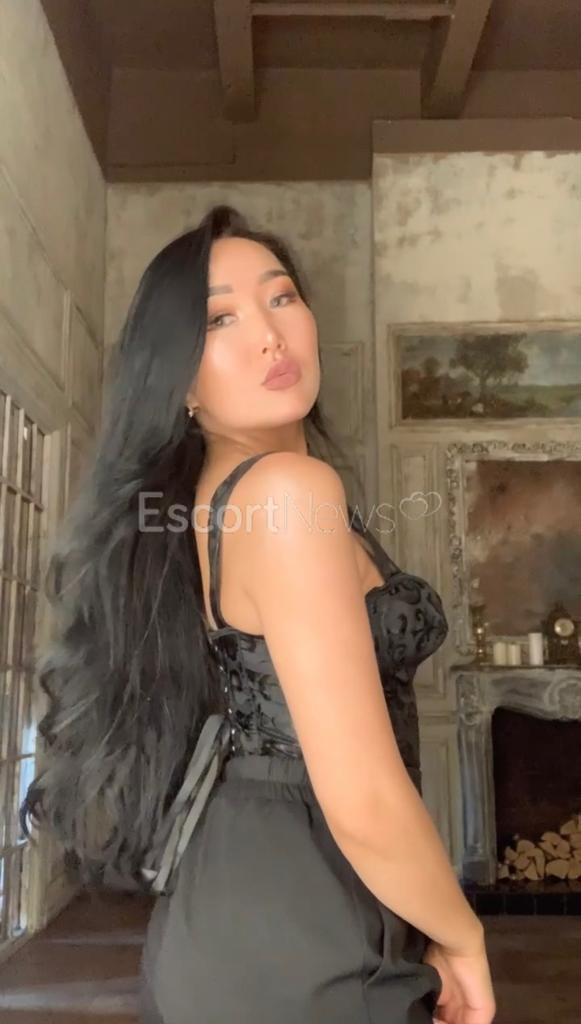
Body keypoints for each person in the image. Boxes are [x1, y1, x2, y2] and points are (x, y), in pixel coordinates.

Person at [21, 206, 496, 1024]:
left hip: (261, 902)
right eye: (220, 320)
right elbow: (360, 795)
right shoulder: (282, 493)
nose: (269, 336)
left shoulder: (234, 496)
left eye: (280, 298)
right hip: (296, 919)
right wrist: (463, 936)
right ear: (178, 381)